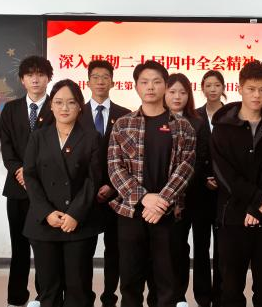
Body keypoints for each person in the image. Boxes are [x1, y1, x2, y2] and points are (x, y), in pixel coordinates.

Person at [108, 60, 196, 307]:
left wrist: (162, 201)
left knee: (166, 282)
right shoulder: (123, 124)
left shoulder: (183, 127)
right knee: (130, 281)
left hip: (166, 213)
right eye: (144, 82)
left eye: (156, 82)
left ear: (165, 86)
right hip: (131, 212)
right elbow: (115, 167)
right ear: (136, 86)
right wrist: (144, 198)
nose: (150, 87)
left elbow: (186, 168)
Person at [211, 60, 262, 307]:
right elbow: (224, 174)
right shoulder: (222, 127)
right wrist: (255, 199)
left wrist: (258, 208)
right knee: (230, 289)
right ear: (240, 88)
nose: (257, 95)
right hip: (231, 217)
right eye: (251, 89)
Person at [23, 79, 102, 307]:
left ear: (80, 106)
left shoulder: (91, 137)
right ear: (51, 105)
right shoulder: (38, 137)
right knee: (49, 289)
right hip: (44, 222)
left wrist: (75, 214)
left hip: (79, 222)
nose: (64, 108)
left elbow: (93, 179)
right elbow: (30, 176)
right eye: (58, 102)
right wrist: (46, 212)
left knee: (79, 289)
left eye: (71, 102)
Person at [0, 55, 54, 307]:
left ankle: (45, 296)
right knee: (19, 245)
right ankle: (16, 297)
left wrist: (33, 175)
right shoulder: (11, 109)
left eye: (40, 74)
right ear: (22, 80)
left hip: (48, 189)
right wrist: (19, 171)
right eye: (30, 75)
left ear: (48, 78)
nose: (35, 79)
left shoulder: (57, 105)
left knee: (45, 246)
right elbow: (7, 147)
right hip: (18, 187)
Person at [81, 60, 131, 307]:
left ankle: (109, 297)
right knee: (83, 251)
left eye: (105, 77)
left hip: (116, 193)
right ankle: (84, 297)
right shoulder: (75, 113)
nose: (100, 81)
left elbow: (129, 157)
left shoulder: (126, 115)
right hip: (84, 194)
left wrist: (113, 185)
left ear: (112, 82)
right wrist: (91, 187)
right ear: (88, 82)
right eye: (95, 77)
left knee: (115, 250)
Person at [165, 73, 213, 307]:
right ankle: (179, 296)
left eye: (182, 92)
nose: (177, 97)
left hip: (198, 195)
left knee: (202, 247)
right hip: (171, 198)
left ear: (189, 95)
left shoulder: (198, 122)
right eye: (173, 92)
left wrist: (189, 182)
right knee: (177, 247)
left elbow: (201, 158)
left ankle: (204, 297)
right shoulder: (159, 120)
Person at [195, 70, 226, 307]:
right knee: (201, 245)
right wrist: (204, 176)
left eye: (217, 85)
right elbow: (191, 153)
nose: (213, 89)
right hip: (200, 190)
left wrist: (222, 179)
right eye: (209, 85)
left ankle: (222, 294)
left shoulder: (233, 114)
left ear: (223, 87)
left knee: (223, 246)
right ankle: (203, 296)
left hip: (227, 192)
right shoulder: (194, 116)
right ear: (202, 88)